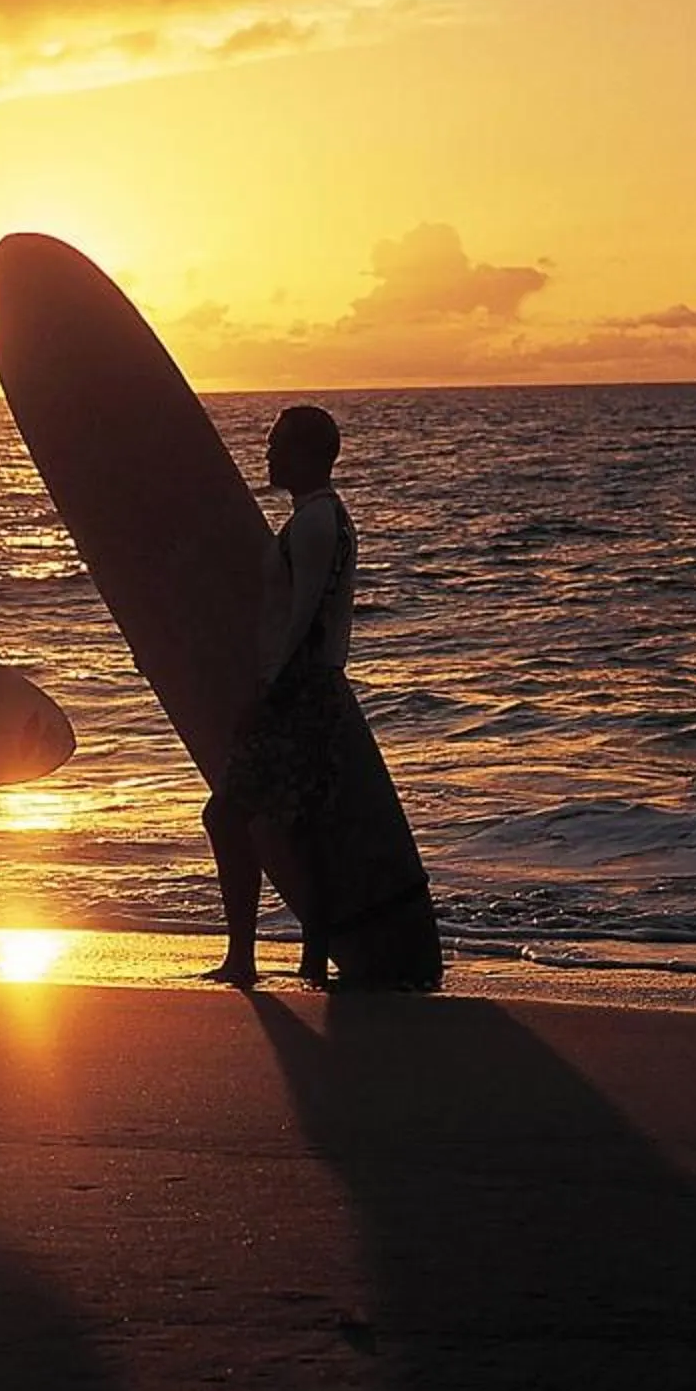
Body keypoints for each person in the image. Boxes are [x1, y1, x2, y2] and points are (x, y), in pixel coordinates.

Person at [202, 404, 442, 991]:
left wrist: (268, 694)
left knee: (227, 815)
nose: (268, 453)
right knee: (304, 826)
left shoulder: (315, 523)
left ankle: (243, 957)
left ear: (307, 454)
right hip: (314, 687)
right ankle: (310, 960)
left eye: (278, 444)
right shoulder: (322, 517)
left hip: (300, 688)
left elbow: (308, 618)